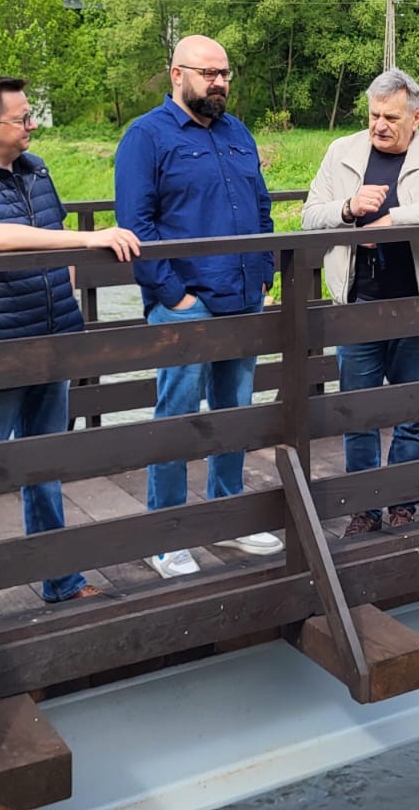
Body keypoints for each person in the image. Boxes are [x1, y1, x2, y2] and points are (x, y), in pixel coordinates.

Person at [0, 75, 141, 624]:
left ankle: (60, 582)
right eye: (22, 118)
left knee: (45, 466)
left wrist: (66, 294)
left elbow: (52, 234)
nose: (32, 125)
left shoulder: (35, 169)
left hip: (51, 339)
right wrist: (90, 238)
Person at [114, 34, 285, 578]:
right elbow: (135, 224)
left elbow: (261, 207)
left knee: (235, 413)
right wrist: (174, 295)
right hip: (186, 304)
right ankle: (166, 535)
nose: (219, 82)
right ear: (177, 74)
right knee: (178, 417)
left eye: (224, 73)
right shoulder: (146, 136)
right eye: (208, 73)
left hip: (244, 297)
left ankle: (227, 518)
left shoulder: (238, 132)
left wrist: (265, 272)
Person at [302, 69, 419, 536]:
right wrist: (348, 209)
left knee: (411, 410)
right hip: (358, 304)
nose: (379, 125)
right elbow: (310, 215)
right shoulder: (342, 151)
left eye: (391, 117)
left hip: (418, 304)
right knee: (358, 413)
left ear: (416, 118)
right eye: (374, 115)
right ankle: (365, 508)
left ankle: (403, 504)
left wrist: (393, 220)